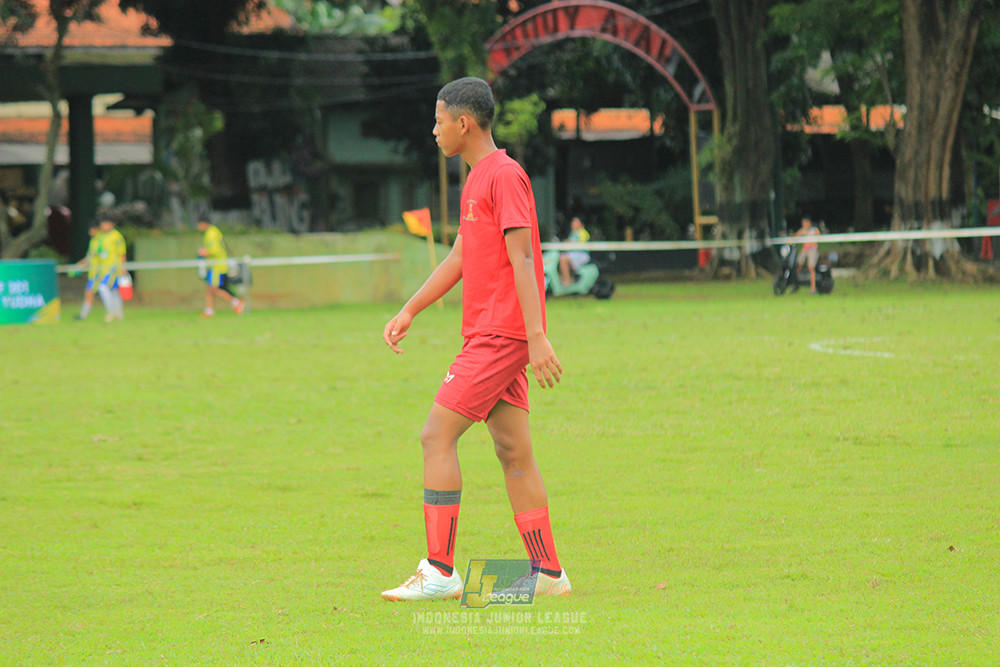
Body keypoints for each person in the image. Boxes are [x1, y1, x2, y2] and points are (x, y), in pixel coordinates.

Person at [380, 77, 570, 601]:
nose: (434, 129)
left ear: (463, 123)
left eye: (439, 119)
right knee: (514, 451)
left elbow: (525, 257)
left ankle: (440, 570)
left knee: (435, 436)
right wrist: (411, 309)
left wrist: (535, 337)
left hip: (499, 335)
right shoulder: (477, 179)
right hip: (498, 334)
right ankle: (549, 575)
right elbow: (462, 258)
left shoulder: (504, 176)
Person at [196, 220, 245, 317]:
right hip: (216, 264)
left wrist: (204, 252)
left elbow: (215, 250)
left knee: (213, 287)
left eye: (199, 224)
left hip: (217, 265)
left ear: (204, 223)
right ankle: (209, 310)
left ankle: (236, 302)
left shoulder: (211, 233)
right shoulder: (212, 232)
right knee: (209, 287)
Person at [92, 219, 126, 322]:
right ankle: (118, 313)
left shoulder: (116, 237)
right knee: (114, 290)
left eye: (106, 224)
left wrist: (123, 268)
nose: (104, 226)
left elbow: (122, 253)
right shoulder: (100, 237)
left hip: (114, 269)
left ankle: (111, 312)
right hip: (103, 269)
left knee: (103, 287)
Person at [73, 223, 103, 320]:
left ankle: (115, 314)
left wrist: (79, 266)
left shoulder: (100, 240)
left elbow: (91, 257)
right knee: (90, 293)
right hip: (94, 272)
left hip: (100, 272)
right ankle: (83, 315)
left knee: (95, 293)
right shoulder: (94, 241)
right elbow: (90, 257)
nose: (90, 232)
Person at [558, 216, 591, 286]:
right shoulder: (573, 233)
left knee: (563, 259)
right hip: (574, 254)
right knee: (562, 258)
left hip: (581, 255)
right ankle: (566, 280)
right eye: (573, 222)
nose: (573, 224)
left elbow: (580, 243)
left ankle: (567, 281)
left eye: (576, 222)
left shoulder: (583, 232)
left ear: (581, 224)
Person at [794, 215, 821, 294]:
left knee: (811, 267)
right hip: (805, 250)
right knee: (798, 265)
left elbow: (819, 236)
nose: (804, 225)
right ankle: (796, 284)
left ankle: (813, 288)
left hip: (812, 250)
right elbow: (796, 236)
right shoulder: (803, 230)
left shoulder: (814, 230)